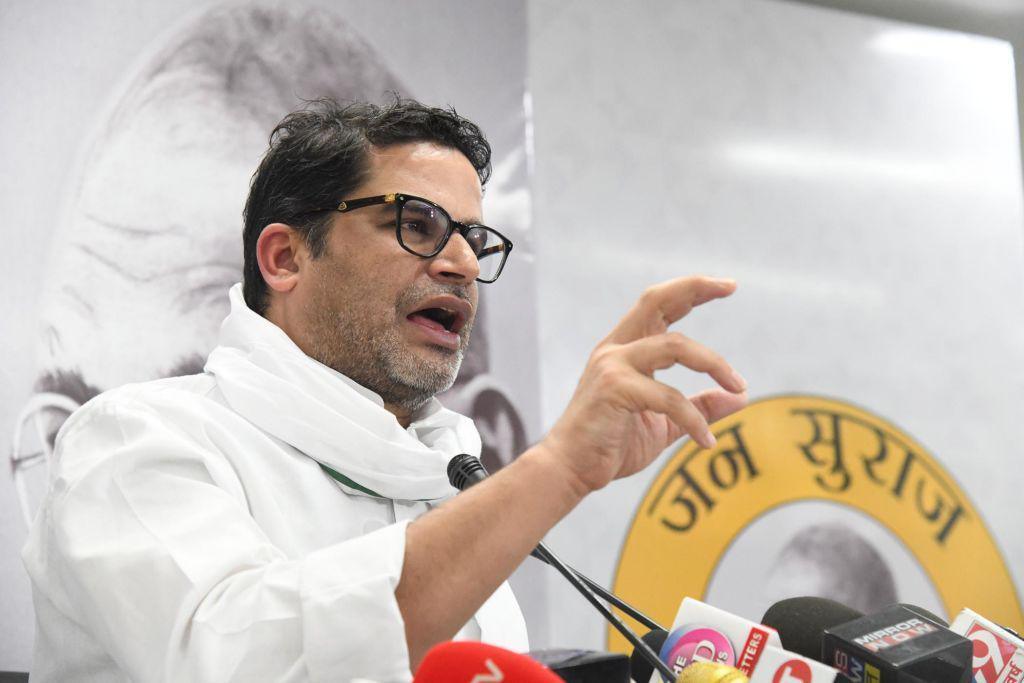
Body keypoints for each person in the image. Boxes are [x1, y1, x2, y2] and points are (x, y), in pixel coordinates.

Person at [22, 98, 748, 682]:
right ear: (285, 257)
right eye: (417, 223)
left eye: (474, 239)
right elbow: (252, 664)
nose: (463, 264)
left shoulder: (446, 477)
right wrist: (556, 469)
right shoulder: (134, 440)